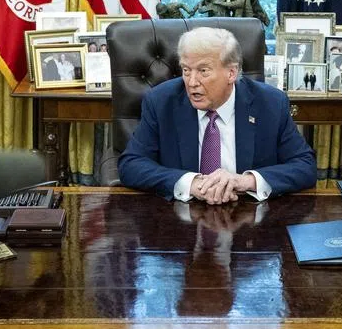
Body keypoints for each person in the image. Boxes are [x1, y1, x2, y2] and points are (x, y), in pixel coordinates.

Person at [119, 27, 316, 203]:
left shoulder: (271, 104)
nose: (192, 82)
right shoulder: (161, 101)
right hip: (179, 221)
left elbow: (305, 166)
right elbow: (131, 164)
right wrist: (191, 183)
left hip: (249, 221)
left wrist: (245, 181)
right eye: (186, 70)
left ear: (231, 73)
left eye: (203, 71)